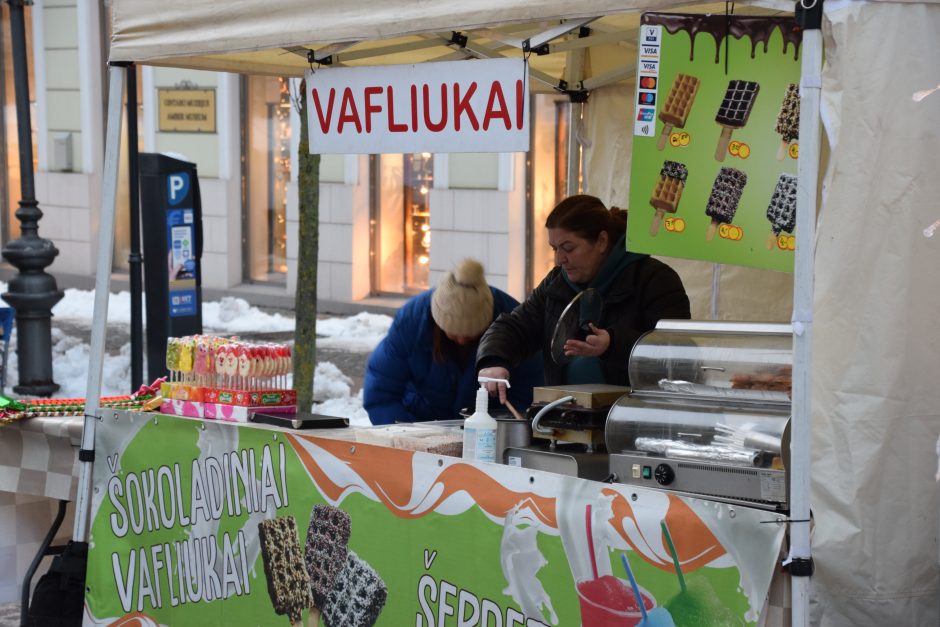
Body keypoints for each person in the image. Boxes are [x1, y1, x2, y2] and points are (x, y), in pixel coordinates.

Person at [476, 194, 690, 402]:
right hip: (565, 418)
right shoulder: (556, 283)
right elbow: (517, 325)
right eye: (555, 249)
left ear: (602, 242)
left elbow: (676, 355)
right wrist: (493, 359)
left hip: (633, 420)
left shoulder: (654, 280)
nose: (560, 259)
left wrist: (613, 345)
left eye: (569, 248)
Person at [364, 259, 542, 425]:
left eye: (471, 334)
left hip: (487, 429)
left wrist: (502, 433)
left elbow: (528, 393)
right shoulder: (412, 321)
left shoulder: (513, 322)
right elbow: (382, 392)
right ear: (438, 322)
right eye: (454, 333)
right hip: (420, 423)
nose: (462, 340)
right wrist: (401, 436)